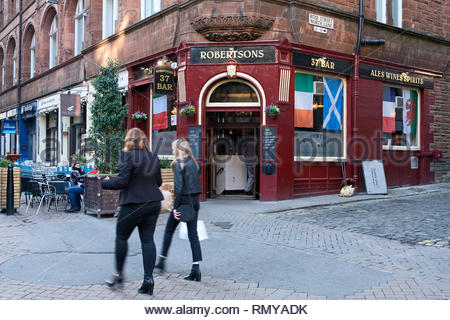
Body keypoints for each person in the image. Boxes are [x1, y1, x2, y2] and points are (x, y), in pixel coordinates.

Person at [102, 128, 163, 296]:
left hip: (132, 204)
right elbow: (159, 181)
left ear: (128, 140)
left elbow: (122, 182)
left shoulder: (127, 156)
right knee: (148, 241)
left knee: (121, 238)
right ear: (144, 140)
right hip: (153, 203)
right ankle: (148, 279)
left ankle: (118, 275)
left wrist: (105, 183)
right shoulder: (153, 157)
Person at [155, 139, 203, 281]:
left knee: (169, 230)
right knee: (193, 235)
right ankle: (196, 269)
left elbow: (179, 188)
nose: (171, 150)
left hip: (183, 203)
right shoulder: (195, 163)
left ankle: (161, 262)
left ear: (178, 149)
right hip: (195, 202)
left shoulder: (178, 164)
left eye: (172, 148)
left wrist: (175, 208)